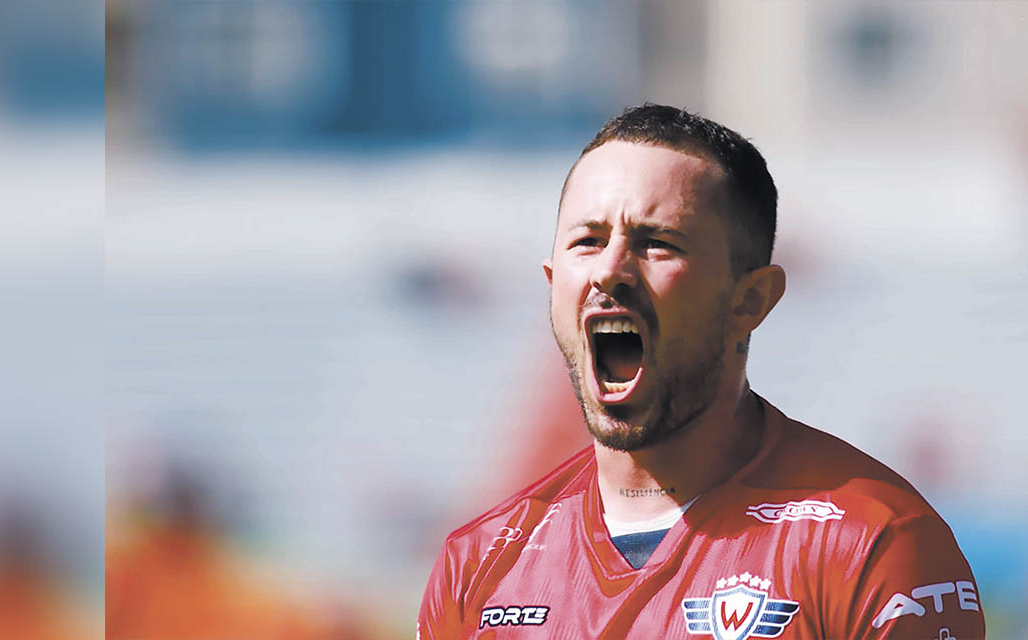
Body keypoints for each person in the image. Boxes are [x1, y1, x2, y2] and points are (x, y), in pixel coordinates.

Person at [417, 104, 984, 639]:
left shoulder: (876, 543)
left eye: (658, 244)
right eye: (587, 241)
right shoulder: (479, 562)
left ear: (750, 301)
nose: (609, 270)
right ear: (551, 282)